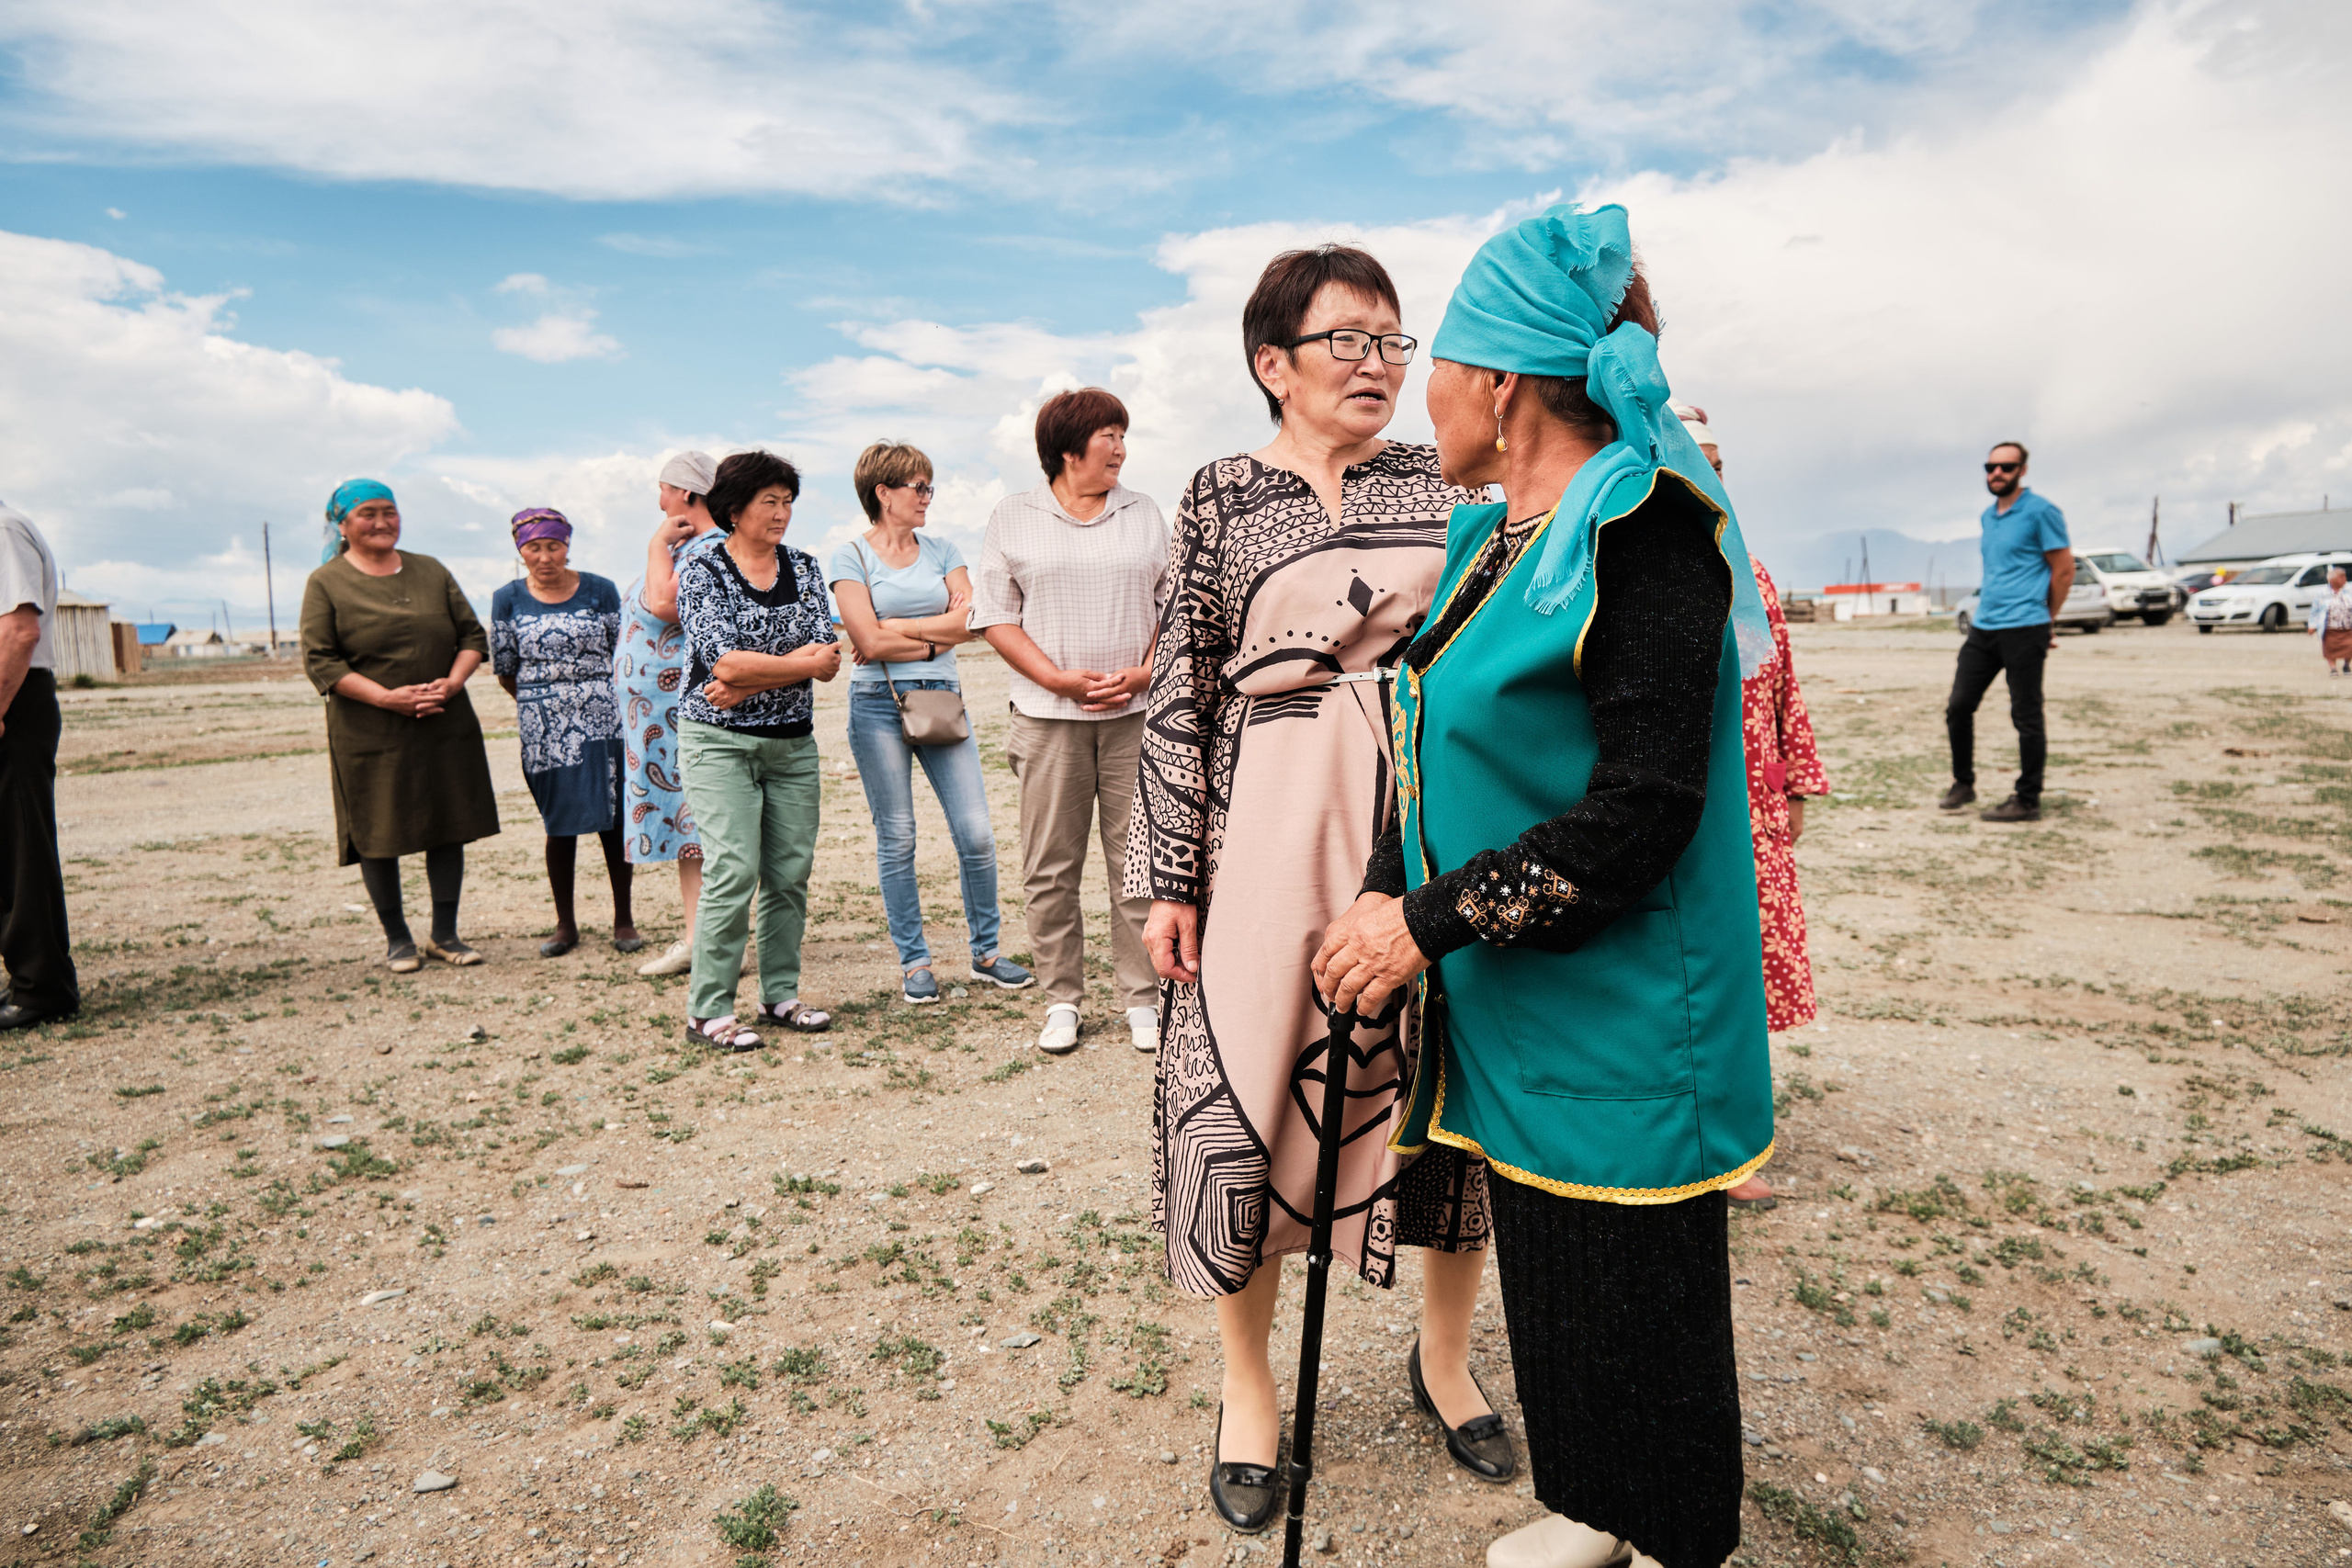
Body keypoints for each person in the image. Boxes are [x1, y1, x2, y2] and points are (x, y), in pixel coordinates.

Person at [1314, 202, 1777, 1568]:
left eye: (1434, 358)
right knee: (1558, 1280)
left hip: (1626, 1008)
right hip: (1516, 1002)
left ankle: (1671, 1532)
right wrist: (1384, 892)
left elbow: (1643, 810)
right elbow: (1432, 743)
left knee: (1638, 1301)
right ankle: (1592, 1504)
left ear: (1502, 384)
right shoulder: (1489, 539)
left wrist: (1424, 922)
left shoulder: (1643, 530)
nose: (1419, 387)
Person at [1128, 244, 1508, 1535]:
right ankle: (1249, 1387)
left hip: (1435, 830)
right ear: (1271, 362)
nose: (1378, 365)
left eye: (1395, 341)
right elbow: (1176, 686)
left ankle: (1445, 1358)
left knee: (1454, 1103)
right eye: (1347, 339)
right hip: (1267, 833)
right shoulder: (1221, 495)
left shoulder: (1455, 479)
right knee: (1245, 1103)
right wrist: (1166, 875)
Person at [971, 389, 1165, 1053]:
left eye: (1122, 435)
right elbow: (995, 614)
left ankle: (1142, 995)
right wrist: (1053, 677)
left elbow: (1171, 608)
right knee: (1051, 864)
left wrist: (1143, 672)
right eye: (1109, 435)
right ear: (1067, 448)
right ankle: (1062, 998)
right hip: (1046, 715)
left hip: (1134, 715)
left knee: (1134, 860)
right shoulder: (1013, 515)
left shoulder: (1143, 513)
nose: (1120, 448)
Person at [1682, 412, 1829, 1215]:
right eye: (1695, 462)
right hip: (1685, 808)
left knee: (1749, 968)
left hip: (1755, 805)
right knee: (1694, 967)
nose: (1712, 479)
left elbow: (1782, 686)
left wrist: (1796, 780)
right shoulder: (1641, 567)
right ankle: (1695, 1133)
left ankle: (1734, 1140)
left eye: (1720, 464)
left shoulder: (1754, 575)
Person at [829, 441, 1033, 1005]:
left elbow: (972, 622)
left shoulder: (944, 549)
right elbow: (864, 640)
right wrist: (924, 634)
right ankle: (915, 963)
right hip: (876, 705)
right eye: (917, 487)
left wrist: (896, 624)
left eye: (929, 486)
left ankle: (987, 953)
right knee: (898, 838)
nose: (927, 497)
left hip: (942, 697)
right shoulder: (849, 557)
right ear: (883, 493)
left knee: (976, 833)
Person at [674, 449, 842, 1048]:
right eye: (769, 501)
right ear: (734, 508)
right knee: (733, 868)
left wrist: (750, 676)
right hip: (717, 743)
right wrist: (770, 666)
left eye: (788, 500)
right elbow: (721, 659)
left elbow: (827, 658)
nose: (782, 512)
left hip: (792, 743)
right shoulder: (702, 569)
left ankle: (779, 994)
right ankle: (708, 1011)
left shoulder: (805, 565)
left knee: (789, 871)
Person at [301, 479, 500, 971]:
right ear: (342, 525)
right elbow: (321, 660)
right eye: (368, 513)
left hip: (443, 719)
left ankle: (445, 935)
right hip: (370, 729)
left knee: (448, 823)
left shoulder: (430, 570)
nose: (382, 521)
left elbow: (473, 636)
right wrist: (387, 699)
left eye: (390, 511)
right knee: (377, 828)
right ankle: (398, 939)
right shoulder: (326, 582)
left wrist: (451, 685)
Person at [492, 507, 636, 958]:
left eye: (553, 546)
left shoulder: (599, 589)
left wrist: (588, 699)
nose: (545, 556)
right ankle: (565, 925)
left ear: (566, 546)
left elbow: (622, 651)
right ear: (521, 551)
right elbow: (504, 668)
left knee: (613, 820)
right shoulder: (507, 598)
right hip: (542, 726)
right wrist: (547, 704)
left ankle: (624, 919)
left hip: (603, 719)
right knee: (559, 824)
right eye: (534, 548)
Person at [616, 452, 728, 976]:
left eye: (663, 490)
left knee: (696, 825)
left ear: (686, 494)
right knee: (689, 831)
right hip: (658, 718)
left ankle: (707, 941)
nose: (659, 502)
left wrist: (655, 543)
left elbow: (665, 606)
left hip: (678, 714)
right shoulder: (686, 547)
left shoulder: (703, 549)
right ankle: (697, 936)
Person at [1943, 442, 2069, 824]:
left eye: (2006, 467)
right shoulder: (1988, 516)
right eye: (1991, 466)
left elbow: (2063, 570)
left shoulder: (2042, 511)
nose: (1997, 473)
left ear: (2022, 470)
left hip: (2025, 626)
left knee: (2026, 716)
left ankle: (2028, 799)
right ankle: (1963, 783)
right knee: (1958, 707)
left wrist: (2045, 620)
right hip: (1985, 626)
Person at [0, 500, 77, 1028]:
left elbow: (19, 630)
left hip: (13, 700)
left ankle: (40, 988)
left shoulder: (1, 528)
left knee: (17, 846)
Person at [2309, 563, 2352, 674]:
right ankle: (2333, 668)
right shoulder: (2322, 593)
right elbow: (2315, 611)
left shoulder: (2349, 591)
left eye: (2344, 577)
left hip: (2348, 626)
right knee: (2330, 649)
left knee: (2350, 647)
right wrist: (2312, 625)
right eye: (2341, 577)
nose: (2344, 580)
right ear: (2332, 580)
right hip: (2330, 627)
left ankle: (2346, 665)